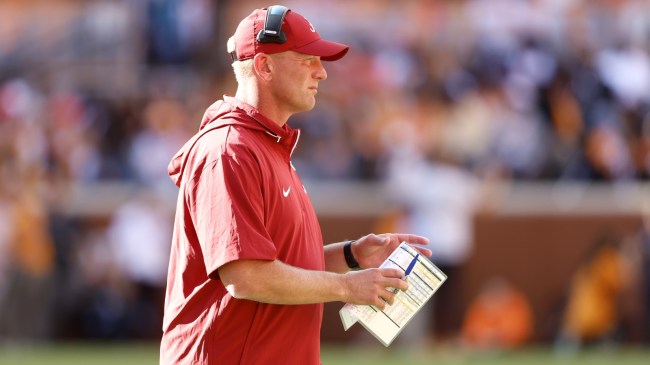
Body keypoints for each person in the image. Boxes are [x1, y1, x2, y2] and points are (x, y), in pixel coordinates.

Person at [159, 6, 431, 365]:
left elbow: (279, 264)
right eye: (306, 60)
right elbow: (246, 276)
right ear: (264, 66)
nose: (322, 72)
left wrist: (350, 256)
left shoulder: (265, 146)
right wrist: (347, 287)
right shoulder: (230, 150)